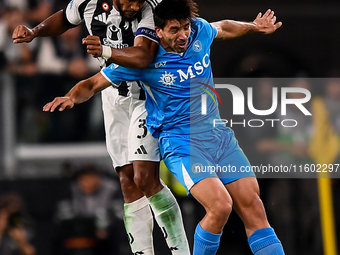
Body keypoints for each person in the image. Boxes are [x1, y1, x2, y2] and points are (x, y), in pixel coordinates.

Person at [43, 0, 285, 254]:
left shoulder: (200, 31)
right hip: (182, 143)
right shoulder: (142, 63)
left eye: (185, 27)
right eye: (174, 30)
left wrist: (254, 26)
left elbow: (224, 27)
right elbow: (91, 84)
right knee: (220, 206)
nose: (183, 35)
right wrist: (70, 97)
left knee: (254, 208)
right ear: (158, 32)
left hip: (219, 136)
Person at [12, 0, 191, 254]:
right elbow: (64, 18)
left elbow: (143, 56)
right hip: (112, 96)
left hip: (147, 97)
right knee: (127, 181)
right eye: (129, 0)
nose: (134, 5)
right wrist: (35, 31)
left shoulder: (152, 7)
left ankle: (181, 251)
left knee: (144, 177)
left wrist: (105, 50)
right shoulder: (89, 3)